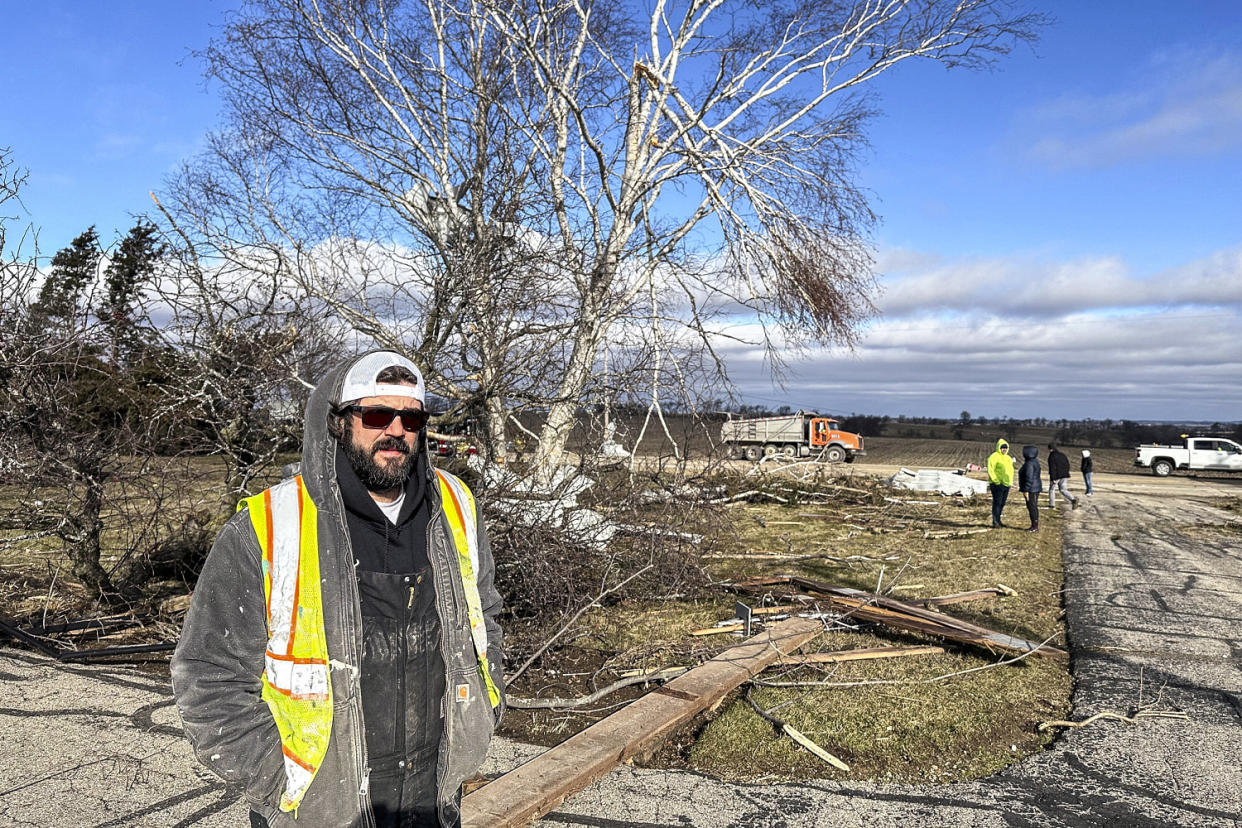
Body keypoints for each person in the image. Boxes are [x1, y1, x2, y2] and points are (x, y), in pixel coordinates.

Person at [172, 351, 505, 828]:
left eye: (410, 418)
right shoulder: (269, 525)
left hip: (432, 802)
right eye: (376, 415)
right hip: (321, 813)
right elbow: (207, 673)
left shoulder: (455, 505)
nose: (395, 430)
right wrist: (278, 782)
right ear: (337, 422)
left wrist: (484, 716)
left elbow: (485, 616)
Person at [986, 438, 1014, 528]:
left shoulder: (1008, 458)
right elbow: (991, 470)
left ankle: (999, 520)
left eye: (1005, 448)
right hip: (997, 484)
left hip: (1006, 484)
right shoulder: (993, 457)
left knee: (1002, 503)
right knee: (997, 503)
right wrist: (996, 481)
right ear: (999, 447)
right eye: (1002, 448)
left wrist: (1010, 482)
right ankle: (995, 521)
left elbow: (1010, 471)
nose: (1004, 449)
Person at [1046, 442, 1079, 510]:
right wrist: (1066, 473)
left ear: (1050, 449)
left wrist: (1053, 478)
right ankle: (1073, 499)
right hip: (1064, 475)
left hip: (1056, 476)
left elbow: (1052, 468)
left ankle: (1051, 504)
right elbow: (1067, 465)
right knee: (1063, 490)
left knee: (1052, 490)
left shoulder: (1052, 456)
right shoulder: (1062, 455)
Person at [1018, 445, 1042, 532]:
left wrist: (1025, 490)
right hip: (1034, 487)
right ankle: (1034, 525)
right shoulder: (1033, 461)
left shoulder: (1029, 464)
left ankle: (1034, 527)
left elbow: (1029, 477)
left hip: (1032, 489)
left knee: (1032, 507)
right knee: (1033, 506)